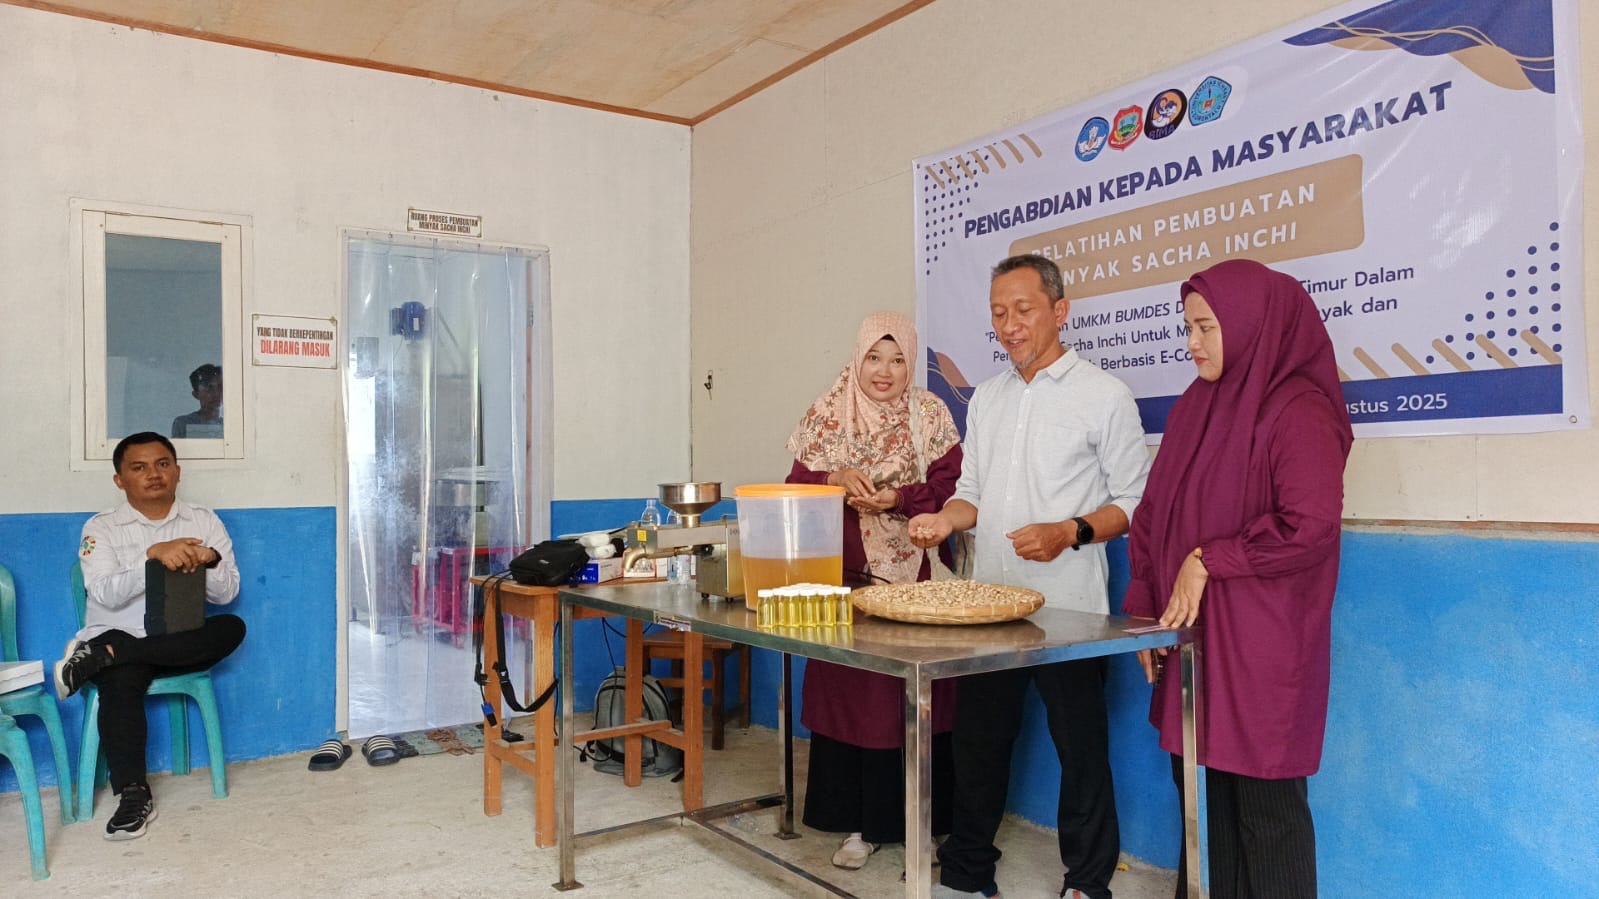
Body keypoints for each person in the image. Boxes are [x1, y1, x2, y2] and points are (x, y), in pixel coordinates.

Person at [911, 255, 1152, 899]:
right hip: (989, 607)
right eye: (998, 313)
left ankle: (1088, 881)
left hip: (1069, 610)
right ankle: (967, 872)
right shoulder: (986, 399)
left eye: (1023, 309)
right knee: (979, 744)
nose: (1010, 325)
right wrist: (943, 519)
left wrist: (1068, 531)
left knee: (1081, 747)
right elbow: (971, 495)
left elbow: (1134, 502)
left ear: (1059, 310)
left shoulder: (1104, 396)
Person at [1125, 259, 1352, 899]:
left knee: (1265, 811)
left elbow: (1309, 526)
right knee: (1200, 801)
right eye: (1188, 327)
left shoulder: (1298, 411)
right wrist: (1144, 605)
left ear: (1251, 324)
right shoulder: (1197, 407)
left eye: (1204, 327)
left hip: (1262, 651)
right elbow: (1153, 515)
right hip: (1194, 643)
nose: (1190, 343)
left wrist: (1210, 559)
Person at [785, 311, 964, 870]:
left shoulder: (931, 415)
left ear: (911, 363)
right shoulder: (827, 412)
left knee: (916, 699)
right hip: (844, 581)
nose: (884, 371)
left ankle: (924, 827)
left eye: (898, 359)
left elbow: (954, 484)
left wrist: (901, 499)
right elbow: (794, 486)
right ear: (857, 357)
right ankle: (859, 827)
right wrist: (834, 480)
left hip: (919, 579)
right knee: (857, 699)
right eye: (874, 357)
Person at [56, 431, 246, 840]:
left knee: (232, 627)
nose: (153, 475)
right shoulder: (101, 527)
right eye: (138, 468)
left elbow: (228, 593)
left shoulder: (204, 521)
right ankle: (132, 793)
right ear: (119, 480)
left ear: (178, 472)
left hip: (179, 638)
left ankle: (101, 657)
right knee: (122, 681)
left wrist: (208, 559)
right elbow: (102, 592)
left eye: (162, 464)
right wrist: (152, 558)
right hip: (117, 631)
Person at [170, 364, 223, 438]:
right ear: (196, 394)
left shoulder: (230, 424)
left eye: (220, 387)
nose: (216, 393)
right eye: (209, 388)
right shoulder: (183, 423)